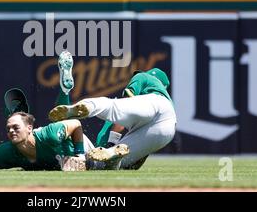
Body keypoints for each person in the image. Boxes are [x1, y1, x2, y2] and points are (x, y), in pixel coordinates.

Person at [0, 51, 129, 172]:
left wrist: (79, 155)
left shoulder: (46, 135)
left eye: (15, 127)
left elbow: (76, 124)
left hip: (80, 148)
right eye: (8, 128)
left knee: (104, 156)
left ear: (29, 128)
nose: (10, 131)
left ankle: (111, 137)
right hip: (67, 151)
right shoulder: (7, 151)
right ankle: (65, 91)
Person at [49, 67, 177, 169]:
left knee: (112, 107)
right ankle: (111, 155)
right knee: (119, 158)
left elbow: (128, 98)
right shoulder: (167, 99)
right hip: (168, 128)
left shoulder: (143, 76)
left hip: (153, 104)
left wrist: (112, 141)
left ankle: (88, 106)